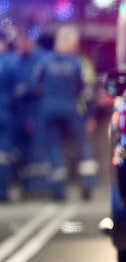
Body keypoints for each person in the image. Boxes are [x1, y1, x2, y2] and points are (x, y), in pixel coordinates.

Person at [38, 24, 98, 201]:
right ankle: (88, 183)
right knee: (83, 145)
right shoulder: (78, 63)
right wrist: (90, 115)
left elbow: (37, 86)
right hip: (71, 110)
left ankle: (58, 190)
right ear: (72, 43)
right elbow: (86, 91)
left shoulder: (44, 61)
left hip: (49, 111)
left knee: (54, 148)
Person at [13, 24, 49, 197]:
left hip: (37, 111)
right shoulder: (19, 60)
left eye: (21, 40)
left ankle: (39, 187)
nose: (18, 45)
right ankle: (28, 186)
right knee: (24, 152)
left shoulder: (41, 59)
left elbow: (42, 87)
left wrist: (26, 89)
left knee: (38, 149)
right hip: (21, 112)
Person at [0, 30, 17, 202]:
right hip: (5, 113)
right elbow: (16, 90)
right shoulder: (10, 62)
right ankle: (2, 191)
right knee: (3, 155)